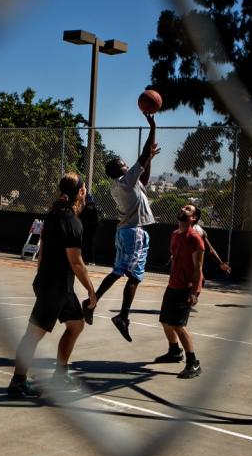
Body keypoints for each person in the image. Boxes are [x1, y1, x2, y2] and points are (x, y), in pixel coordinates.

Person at [8, 172, 97, 398]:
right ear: (79, 193)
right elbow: (76, 263)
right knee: (33, 335)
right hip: (55, 286)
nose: (86, 191)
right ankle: (18, 383)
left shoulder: (54, 215)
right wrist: (91, 290)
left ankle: (60, 374)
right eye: (84, 188)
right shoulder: (71, 221)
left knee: (76, 325)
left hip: (59, 285)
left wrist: (39, 276)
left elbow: (43, 250)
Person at [84, 112, 159, 341]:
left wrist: (149, 160)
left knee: (118, 271)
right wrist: (152, 127)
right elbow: (143, 155)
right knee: (134, 276)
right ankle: (123, 316)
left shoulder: (122, 184)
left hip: (125, 231)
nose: (128, 166)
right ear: (120, 171)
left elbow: (144, 179)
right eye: (124, 165)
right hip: (134, 232)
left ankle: (92, 302)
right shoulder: (125, 181)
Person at [153, 204, 205, 378]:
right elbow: (175, 257)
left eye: (188, 209)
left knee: (178, 325)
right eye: (183, 207)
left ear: (193, 218)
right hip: (173, 285)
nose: (183, 209)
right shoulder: (175, 235)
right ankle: (174, 352)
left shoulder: (195, 238)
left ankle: (193, 363)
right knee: (165, 321)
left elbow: (198, 268)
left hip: (186, 287)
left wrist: (195, 292)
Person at [80, 193, 99, 265]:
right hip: (91, 228)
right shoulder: (93, 207)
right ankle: (90, 260)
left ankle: (89, 260)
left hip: (88, 228)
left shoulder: (87, 208)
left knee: (87, 244)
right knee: (90, 244)